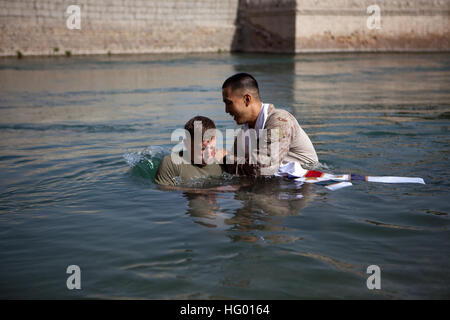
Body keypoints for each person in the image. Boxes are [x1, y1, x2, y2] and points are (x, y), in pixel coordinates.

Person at [221, 73, 318, 176]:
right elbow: (233, 169)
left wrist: (225, 158)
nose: (226, 110)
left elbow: (264, 168)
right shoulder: (243, 135)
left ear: (247, 99)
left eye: (229, 103)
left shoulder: (281, 121)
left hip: (308, 183)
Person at [155, 116, 223, 186]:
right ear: (187, 144)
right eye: (202, 149)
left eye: (212, 147)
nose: (209, 153)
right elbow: (163, 191)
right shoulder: (170, 163)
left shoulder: (222, 160)